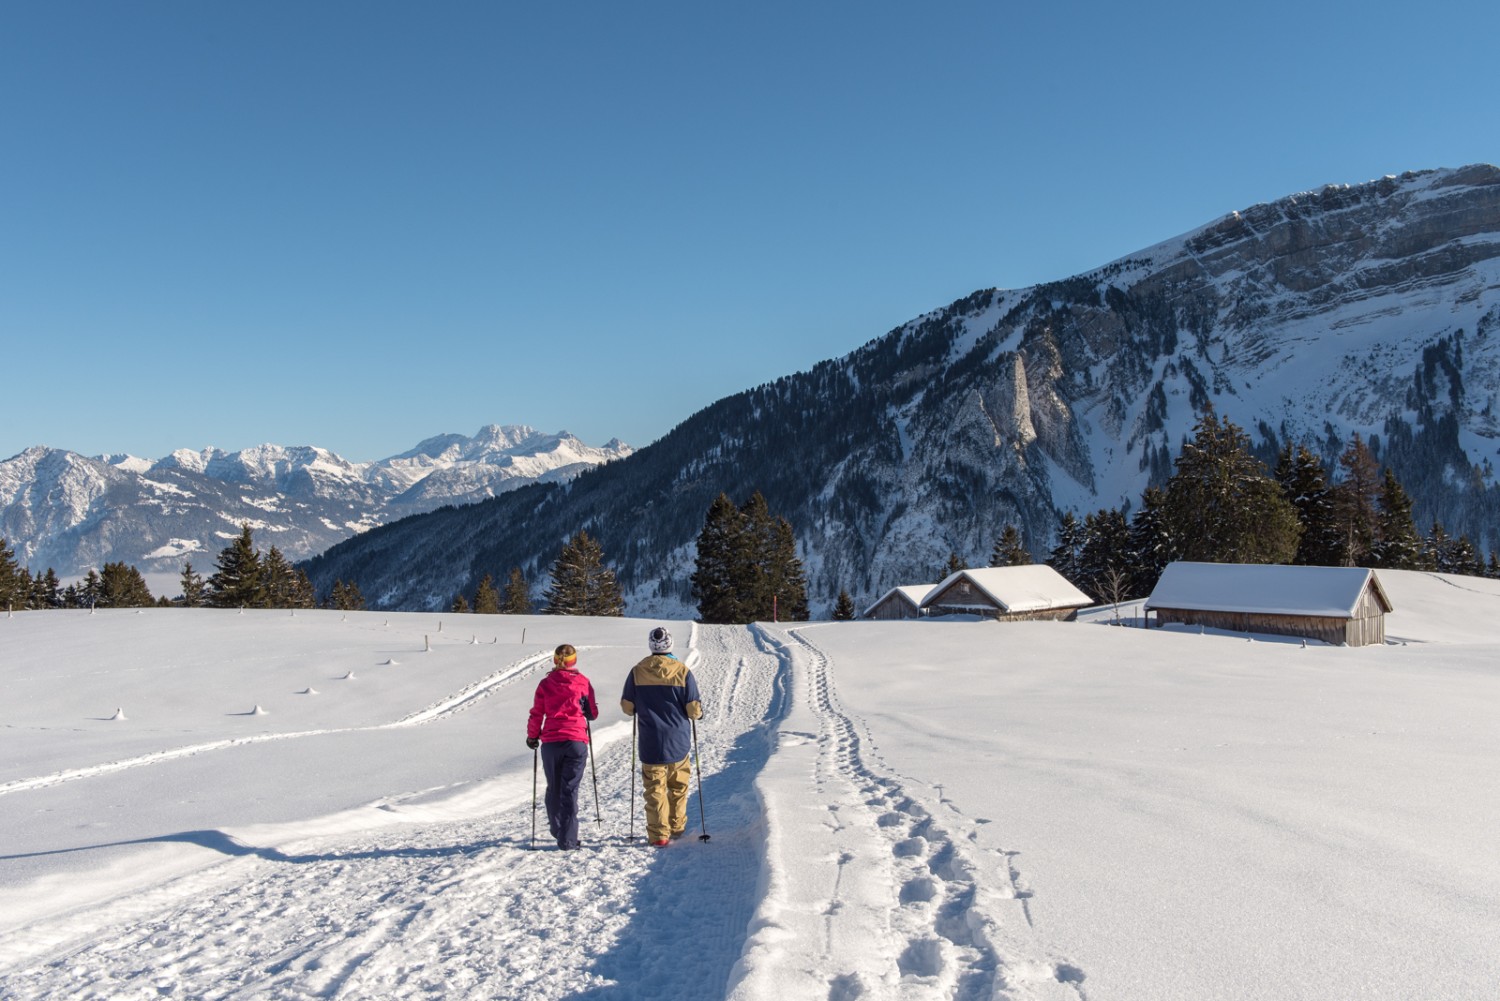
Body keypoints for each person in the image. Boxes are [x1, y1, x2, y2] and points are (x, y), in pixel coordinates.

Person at [621, 626, 701, 847]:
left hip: (651, 741)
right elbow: (693, 709)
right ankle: (676, 826)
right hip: (678, 740)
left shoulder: (637, 671)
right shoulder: (682, 671)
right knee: (678, 786)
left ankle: (659, 835)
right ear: (670, 644)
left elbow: (628, 707)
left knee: (655, 788)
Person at [526, 644, 599, 850]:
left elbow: (537, 713)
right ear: (573, 660)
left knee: (554, 786)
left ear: (555, 659)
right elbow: (592, 713)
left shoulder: (546, 683)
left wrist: (533, 737)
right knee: (570, 789)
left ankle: (558, 828)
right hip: (576, 741)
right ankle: (567, 838)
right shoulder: (583, 682)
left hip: (551, 742)